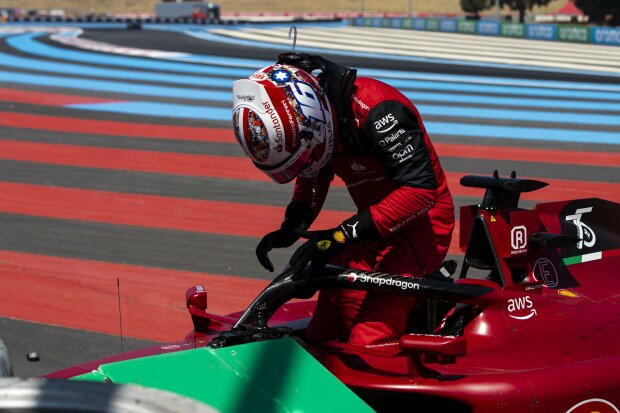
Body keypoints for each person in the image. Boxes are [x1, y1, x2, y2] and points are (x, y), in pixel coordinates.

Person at [231, 53, 454, 346]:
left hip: (422, 226)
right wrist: (293, 224)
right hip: (371, 225)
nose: (305, 162)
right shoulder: (315, 120)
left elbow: (420, 192)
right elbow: (313, 170)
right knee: (324, 329)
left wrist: (341, 236)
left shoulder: (381, 112)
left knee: (366, 339)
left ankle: (432, 307)